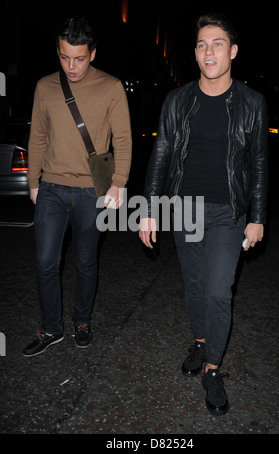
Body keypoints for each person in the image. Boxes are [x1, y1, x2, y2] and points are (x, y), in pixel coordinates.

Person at [139, 13, 268, 416]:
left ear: (232, 51)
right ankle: (200, 341)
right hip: (184, 210)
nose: (208, 51)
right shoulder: (178, 100)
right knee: (194, 286)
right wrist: (149, 209)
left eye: (216, 43)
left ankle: (213, 368)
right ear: (195, 54)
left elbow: (260, 163)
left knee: (217, 290)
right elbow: (161, 155)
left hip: (230, 212)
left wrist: (258, 216)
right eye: (201, 44)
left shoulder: (252, 102)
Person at [23, 18, 132, 357]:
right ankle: (52, 328)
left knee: (86, 261)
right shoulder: (45, 86)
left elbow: (124, 139)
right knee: (45, 262)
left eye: (79, 58)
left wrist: (118, 184)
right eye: (64, 57)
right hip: (52, 188)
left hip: (91, 192)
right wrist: (33, 181)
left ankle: (82, 321)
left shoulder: (111, 86)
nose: (71, 66)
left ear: (93, 53)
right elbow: (38, 136)